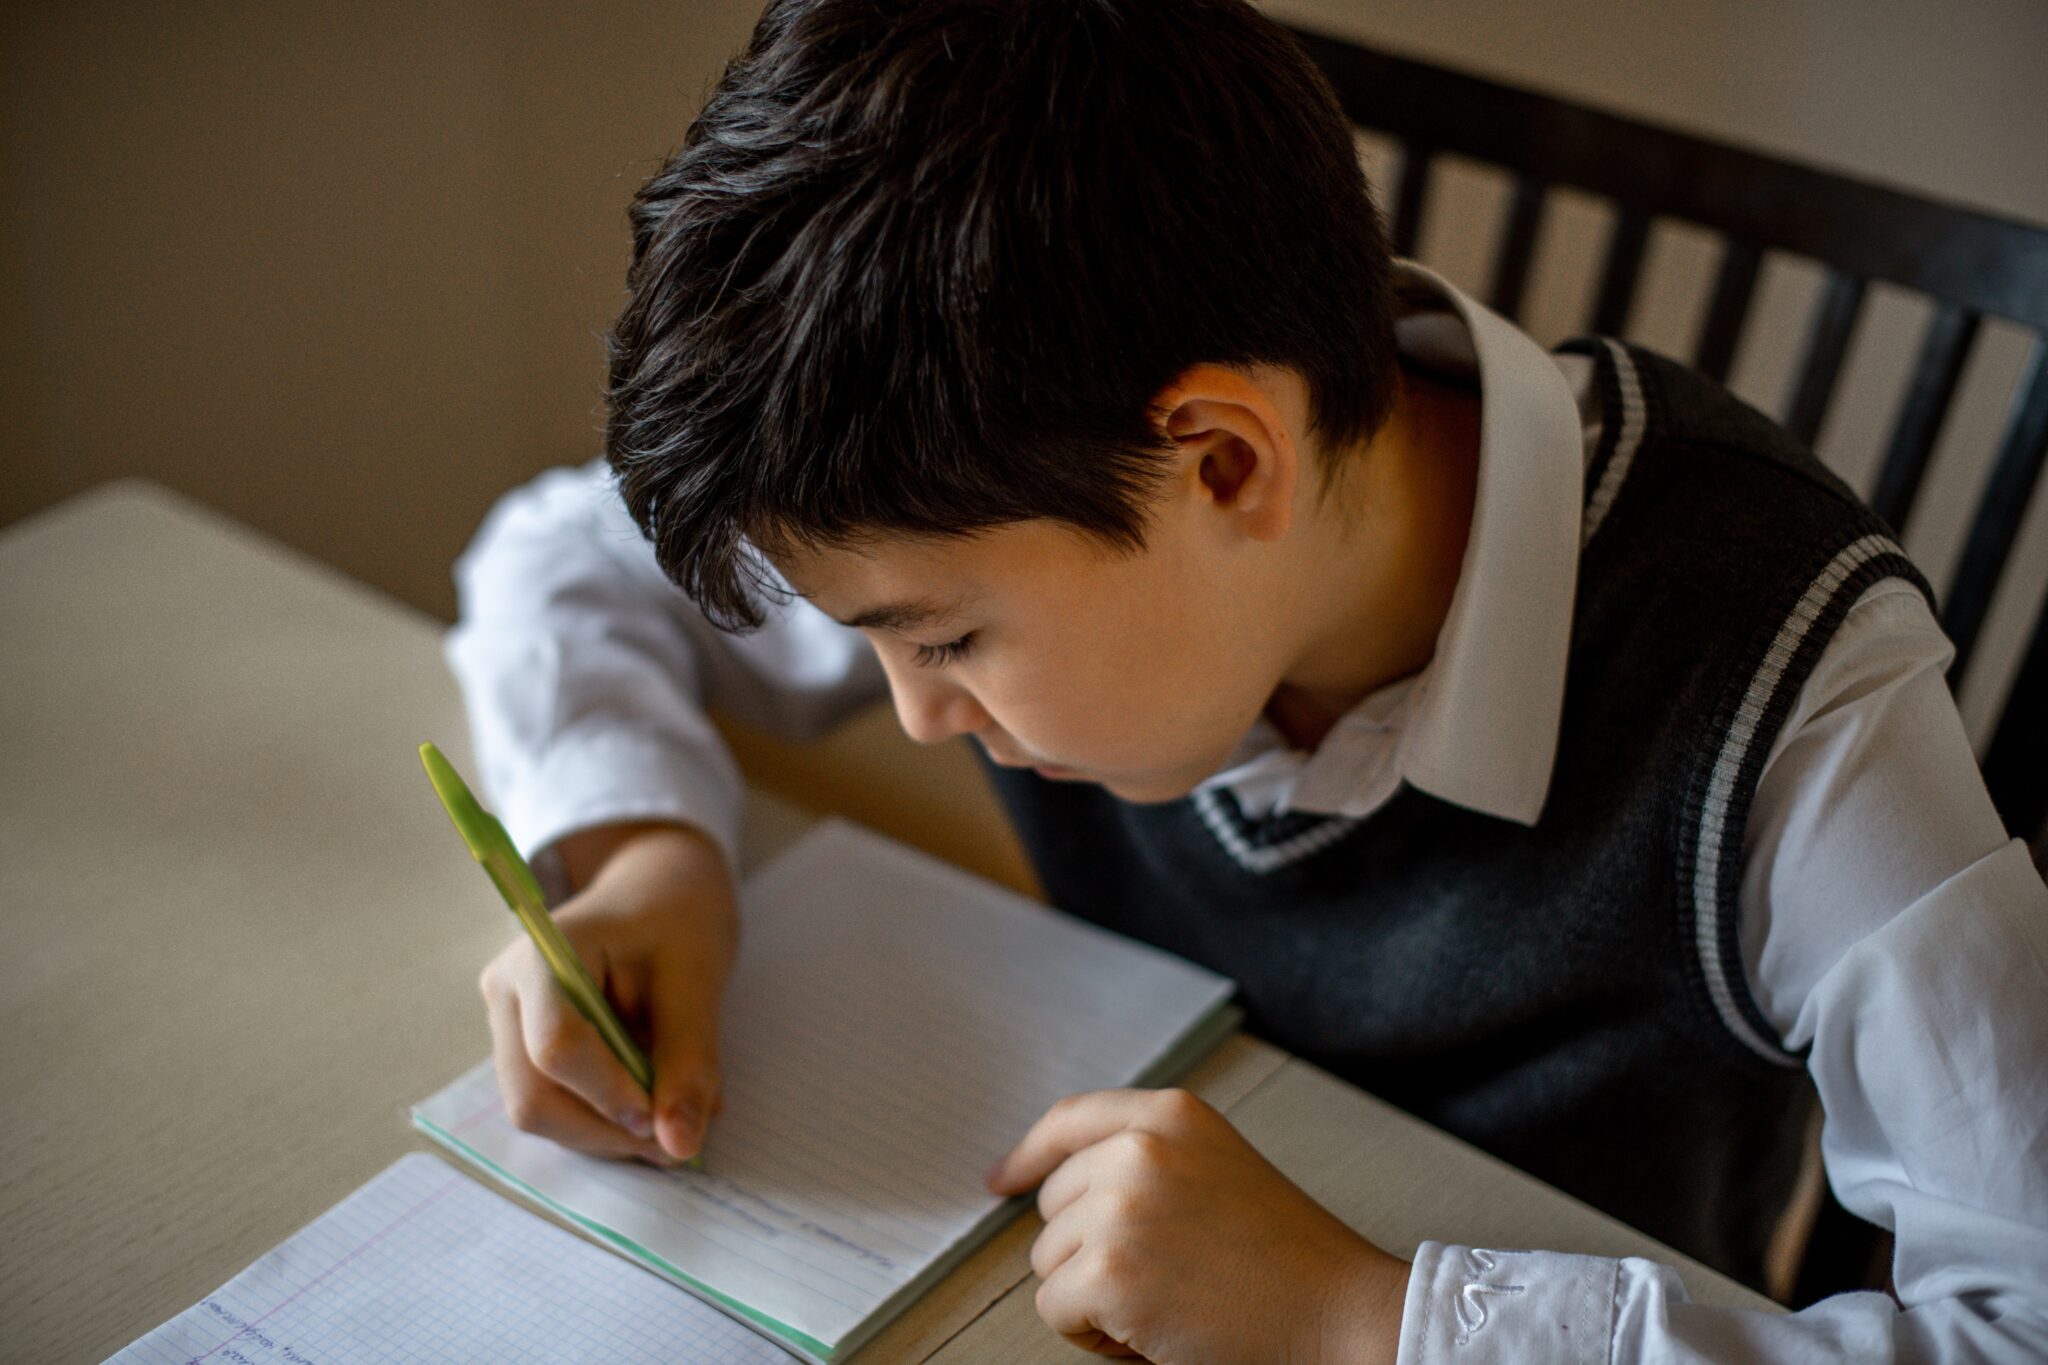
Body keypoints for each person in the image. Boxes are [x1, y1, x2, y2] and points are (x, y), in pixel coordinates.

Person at [447, 0, 2048, 1358]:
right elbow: (555, 559)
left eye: (942, 640)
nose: (922, 713)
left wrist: (1365, 1319)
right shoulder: (1024, 463)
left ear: (1219, 462)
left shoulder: (1794, 690)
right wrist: (643, 845)